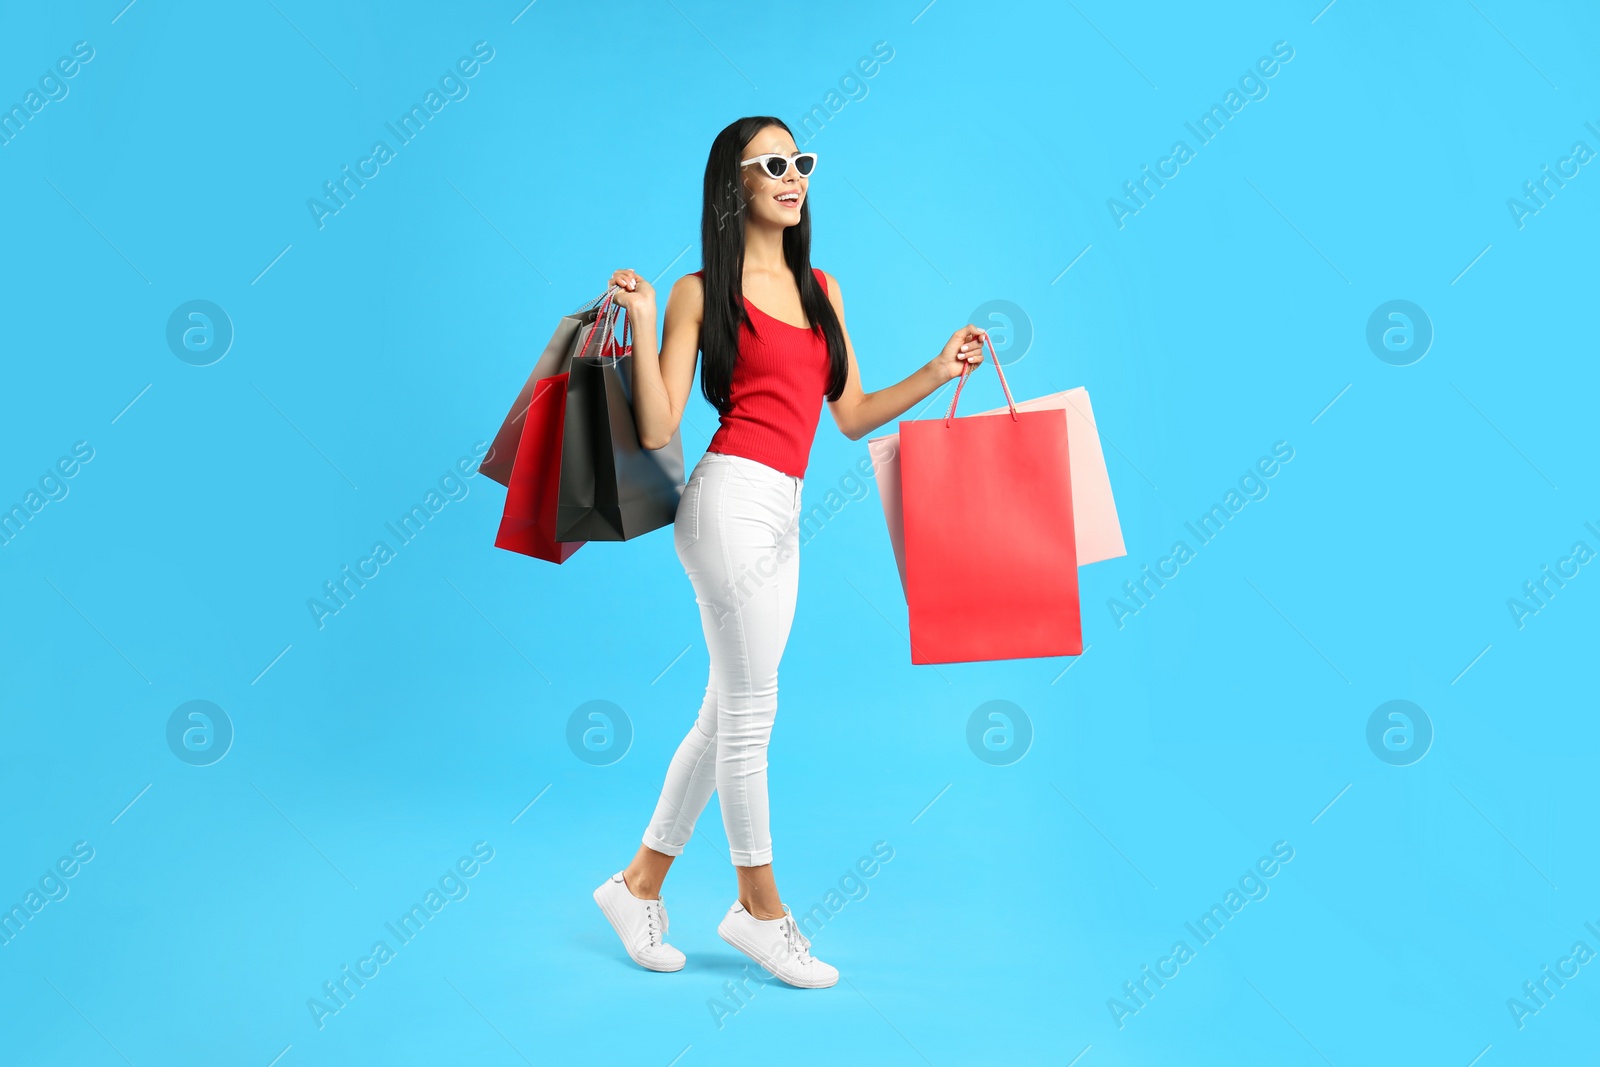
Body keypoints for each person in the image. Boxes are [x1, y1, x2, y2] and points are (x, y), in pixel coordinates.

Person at [592, 115, 987, 988]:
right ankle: (760, 909)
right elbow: (660, 426)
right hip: (726, 500)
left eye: (799, 161)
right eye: (771, 163)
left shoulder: (823, 292)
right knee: (753, 715)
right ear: (733, 185)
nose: (791, 174)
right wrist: (650, 312)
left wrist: (937, 369)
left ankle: (636, 885)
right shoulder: (702, 291)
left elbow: (847, 417)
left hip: (784, 509)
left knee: (723, 711)